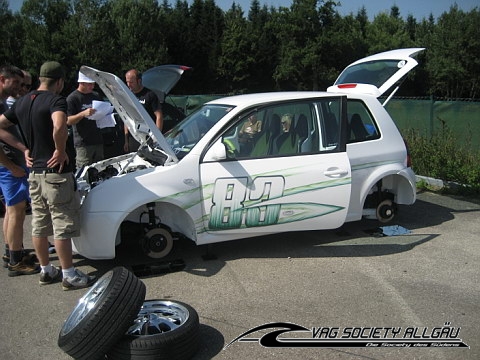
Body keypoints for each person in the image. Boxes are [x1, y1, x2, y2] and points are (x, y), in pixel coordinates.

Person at [0, 61, 96, 290]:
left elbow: (1, 125)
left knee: (39, 224)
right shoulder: (56, 100)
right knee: (61, 223)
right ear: (60, 81)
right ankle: (69, 274)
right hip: (56, 173)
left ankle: (46, 270)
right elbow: (59, 124)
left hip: (34, 173)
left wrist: (23, 148)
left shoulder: (23, 101)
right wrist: (60, 150)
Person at [0, 65, 38, 276]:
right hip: (8, 166)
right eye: (16, 82)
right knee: (16, 211)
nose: (20, 87)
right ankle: (16, 261)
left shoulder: (3, 102)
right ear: (2, 80)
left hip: (9, 164)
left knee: (11, 210)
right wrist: (11, 165)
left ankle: (11, 252)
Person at [67, 71, 104, 168]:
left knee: (100, 169)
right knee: (84, 171)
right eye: (89, 84)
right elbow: (68, 120)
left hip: (98, 140)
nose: (92, 86)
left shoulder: (96, 95)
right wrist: (83, 114)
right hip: (83, 143)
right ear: (81, 83)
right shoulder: (72, 98)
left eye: (93, 84)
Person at [124, 69, 163, 152]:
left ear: (139, 81)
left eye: (131, 82)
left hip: (148, 136)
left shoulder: (150, 95)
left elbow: (159, 116)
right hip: (134, 137)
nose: (128, 85)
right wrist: (126, 141)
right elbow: (126, 117)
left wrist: (157, 138)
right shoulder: (128, 96)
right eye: (127, 82)